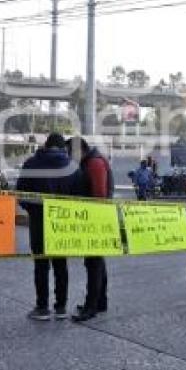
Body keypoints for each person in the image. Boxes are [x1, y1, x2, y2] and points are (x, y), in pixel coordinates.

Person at [17, 133, 82, 321]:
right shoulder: (72, 167)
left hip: (38, 221)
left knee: (41, 264)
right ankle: (61, 307)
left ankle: (42, 307)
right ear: (63, 148)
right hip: (62, 223)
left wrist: (31, 210)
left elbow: (21, 193)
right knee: (61, 264)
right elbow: (80, 197)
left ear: (46, 145)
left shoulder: (31, 163)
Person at [68, 137, 114, 322]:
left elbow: (99, 195)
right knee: (97, 262)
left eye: (70, 152)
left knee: (93, 263)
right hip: (97, 218)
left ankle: (91, 306)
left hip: (96, 219)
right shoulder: (92, 160)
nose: (69, 157)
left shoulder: (94, 163)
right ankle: (100, 301)